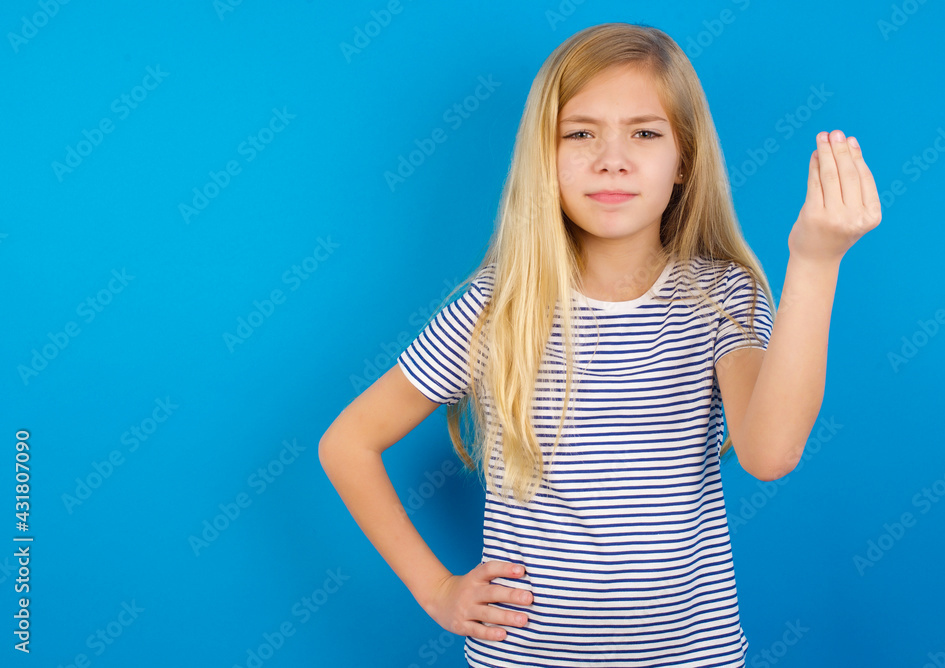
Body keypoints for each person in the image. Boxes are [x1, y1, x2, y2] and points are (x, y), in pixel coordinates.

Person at [319, 21, 880, 668]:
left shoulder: (722, 298)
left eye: (644, 133)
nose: (611, 158)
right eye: (580, 133)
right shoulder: (497, 304)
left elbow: (770, 453)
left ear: (683, 163)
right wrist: (437, 588)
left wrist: (814, 261)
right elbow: (348, 442)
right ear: (544, 159)